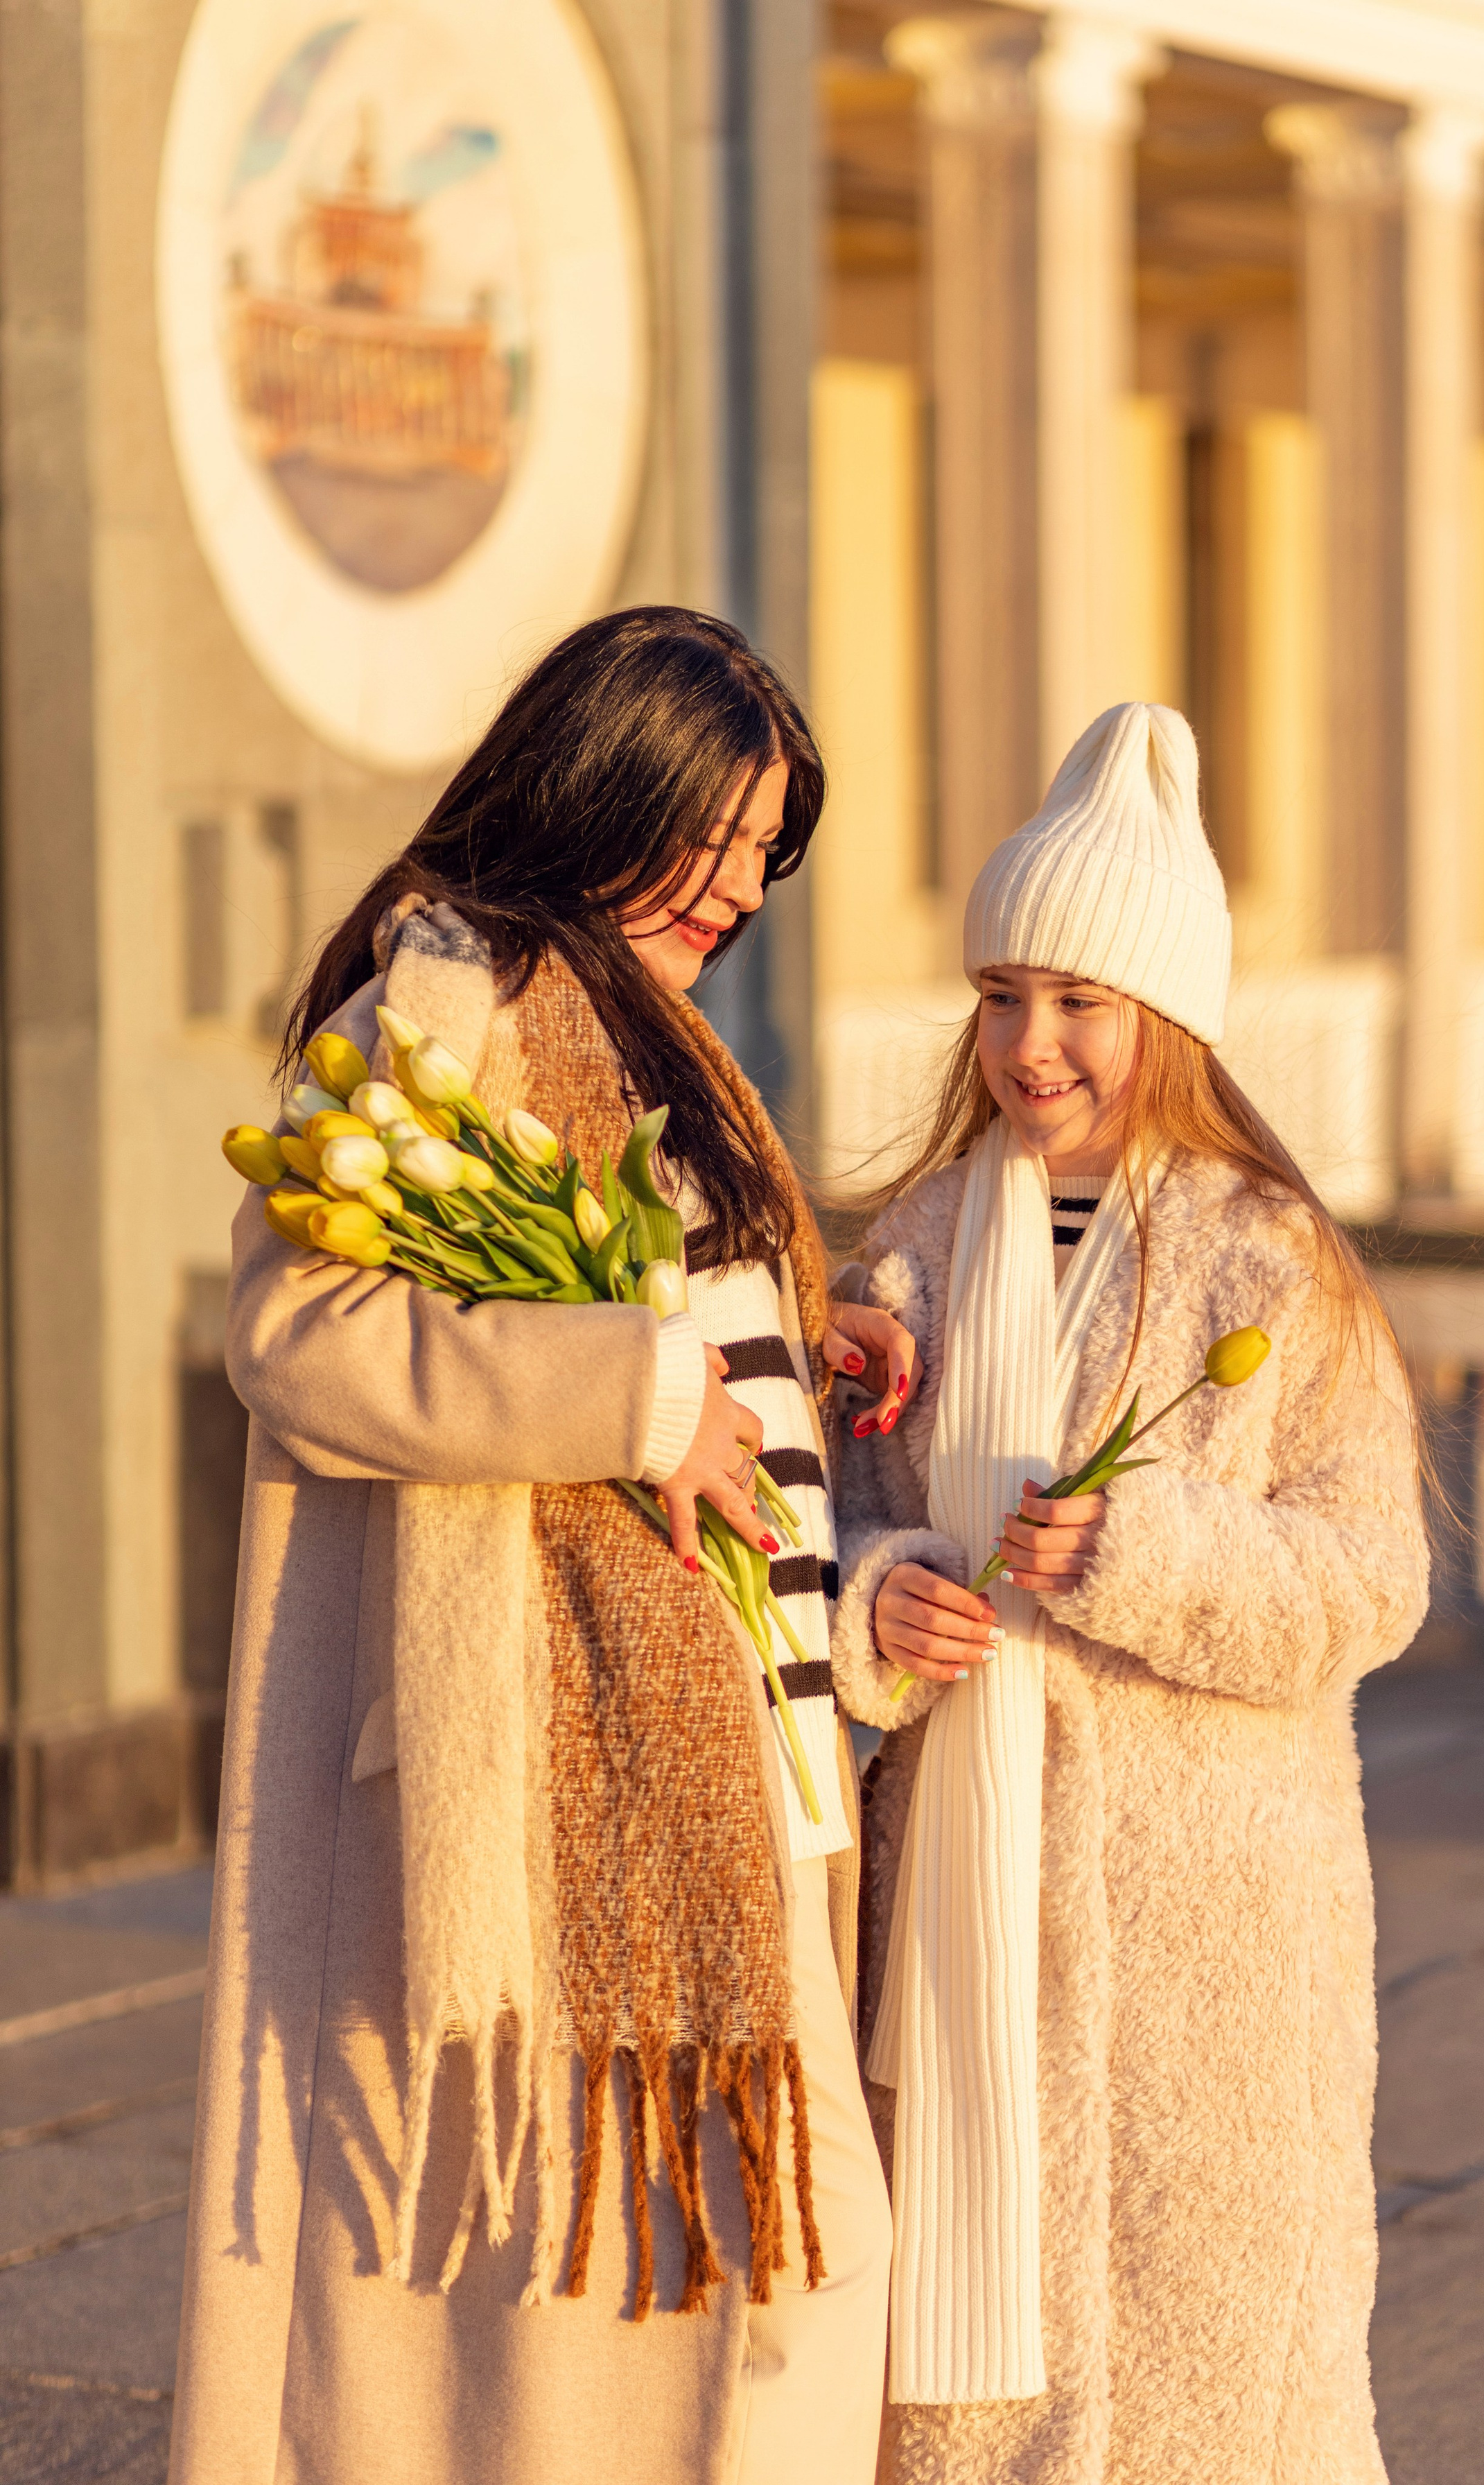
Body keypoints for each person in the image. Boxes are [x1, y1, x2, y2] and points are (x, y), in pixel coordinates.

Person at [171, 608, 913, 2485]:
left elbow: (642, 1294)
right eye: (715, 839)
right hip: (524, 1744)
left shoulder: (628, 1024)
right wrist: (641, 1399)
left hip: (717, 1737)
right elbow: (304, 1336)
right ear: (603, 788)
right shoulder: (447, 992)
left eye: (766, 854)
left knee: (740, 2277)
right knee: (633, 2298)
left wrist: (796, 1320)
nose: (740, 891)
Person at [828, 702, 1430, 2485]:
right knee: (957, 2379)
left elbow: (1366, 1579)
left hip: (1211, 1952)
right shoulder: (913, 1251)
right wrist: (880, 1607)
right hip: (963, 1917)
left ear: (1164, 1017)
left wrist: (1144, 1550)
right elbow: (833, 1528)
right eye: (1002, 995)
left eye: (1078, 1001)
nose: (1030, 1044)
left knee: (1212, 2380)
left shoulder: (1271, 1255)